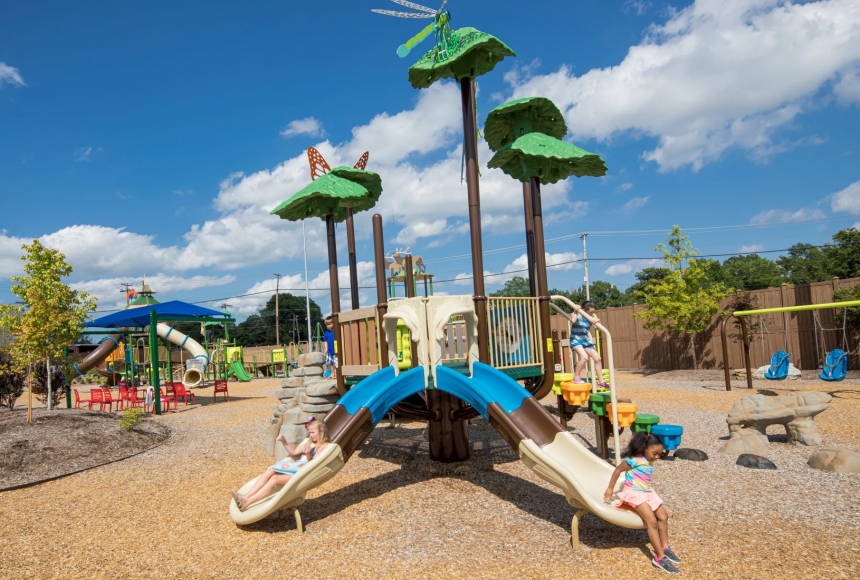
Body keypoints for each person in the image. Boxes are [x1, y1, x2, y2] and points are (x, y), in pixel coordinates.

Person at [604, 432, 681, 575]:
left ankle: (665, 547)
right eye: (654, 454)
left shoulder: (648, 459)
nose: (657, 457)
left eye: (659, 454)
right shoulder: (634, 460)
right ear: (644, 448)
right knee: (652, 522)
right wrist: (610, 488)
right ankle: (659, 558)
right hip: (634, 493)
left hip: (647, 492)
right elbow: (617, 470)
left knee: (663, 516)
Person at [231, 418, 330, 511]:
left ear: (321, 432)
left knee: (275, 479)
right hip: (296, 469)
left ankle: (247, 502)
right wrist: (284, 441)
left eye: (313, 433)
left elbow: (314, 463)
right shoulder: (309, 443)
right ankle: (245, 496)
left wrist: (308, 454)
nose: (311, 435)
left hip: (302, 475)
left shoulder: (323, 446)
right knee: (271, 470)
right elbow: (294, 452)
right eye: (310, 433)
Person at [570, 301, 608, 387]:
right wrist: (576, 310)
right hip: (576, 339)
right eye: (589, 312)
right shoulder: (577, 314)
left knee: (598, 359)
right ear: (584, 310)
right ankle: (576, 377)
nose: (591, 314)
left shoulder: (590, 318)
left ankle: (601, 380)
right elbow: (573, 320)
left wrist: (598, 321)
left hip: (586, 340)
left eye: (592, 312)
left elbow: (598, 328)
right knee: (584, 357)